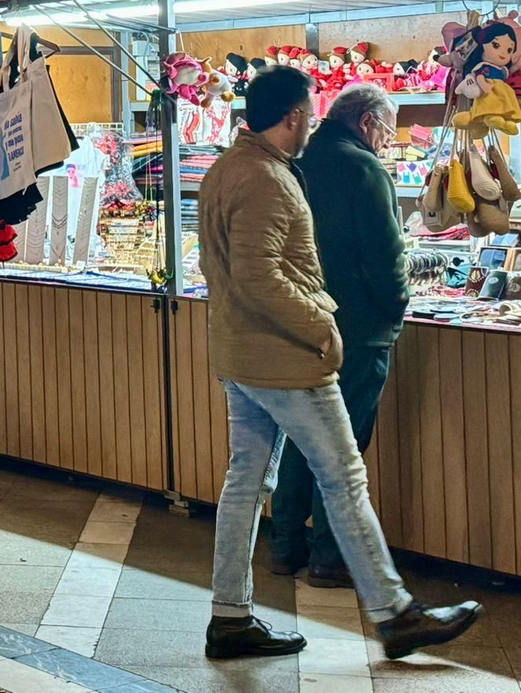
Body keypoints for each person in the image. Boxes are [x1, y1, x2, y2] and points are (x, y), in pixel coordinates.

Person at [197, 65, 481, 662]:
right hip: (286, 360)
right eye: (309, 113)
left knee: (247, 480)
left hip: (241, 353)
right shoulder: (267, 180)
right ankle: (395, 613)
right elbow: (259, 276)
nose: (312, 125)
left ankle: (230, 616)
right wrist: (321, 325)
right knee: (345, 478)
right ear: (296, 115)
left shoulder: (229, 168)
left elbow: (225, 270)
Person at [270, 84, 409, 587]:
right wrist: (395, 307)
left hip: (303, 320)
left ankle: (285, 545)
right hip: (357, 326)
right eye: (388, 131)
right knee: (344, 443)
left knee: (300, 435)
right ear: (368, 122)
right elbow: (386, 254)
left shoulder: (295, 160)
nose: (388, 142)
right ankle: (330, 555)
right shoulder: (364, 167)